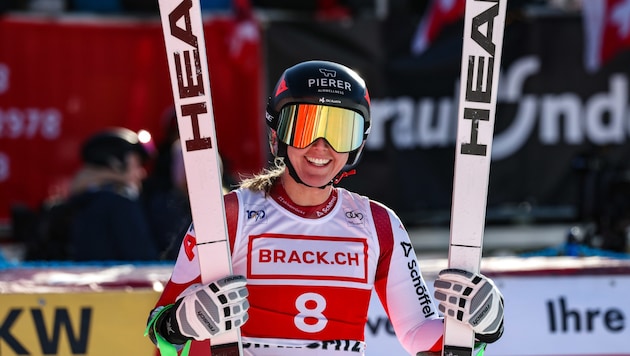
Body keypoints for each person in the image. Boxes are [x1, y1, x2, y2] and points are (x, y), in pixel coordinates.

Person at [145, 60, 504, 355]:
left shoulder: (378, 224)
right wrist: (181, 323)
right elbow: (159, 335)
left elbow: (419, 334)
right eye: (304, 127)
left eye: (340, 132)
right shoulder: (229, 216)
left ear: (358, 143)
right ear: (276, 135)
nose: (321, 148)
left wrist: (480, 329)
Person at [66, 127, 161, 261]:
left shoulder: (80, 200)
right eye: (137, 165)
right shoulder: (121, 204)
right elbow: (144, 259)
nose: (142, 174)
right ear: (115, 163)